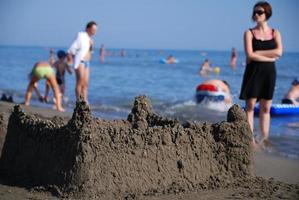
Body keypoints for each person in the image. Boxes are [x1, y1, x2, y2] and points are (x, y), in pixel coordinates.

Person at [239, 1, 283, 148]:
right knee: (250, 105)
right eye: (255, 12)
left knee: (266, 107)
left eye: (260, 12)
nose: (256, 15)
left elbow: (279, 52)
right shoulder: (249, 33)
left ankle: (264, 139)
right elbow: (250, 55)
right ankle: (250, 140)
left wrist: (259, 53)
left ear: (267, 14)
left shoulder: (275, 33)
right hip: (254, 72)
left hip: (269, 73)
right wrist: (268, 58)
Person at [67, 21, 97, 103]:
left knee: (85, 83)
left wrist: (91, 45)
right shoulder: (81, 35)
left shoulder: (90, 39)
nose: (95, 31)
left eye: (96, 30)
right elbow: (71, 49)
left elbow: (89, 51)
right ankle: (78, 101)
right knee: (80, 81)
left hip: (87, 62)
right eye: (93, 29)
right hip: (80, 61)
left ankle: (85, 101)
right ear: (88, 28)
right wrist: (69, 63)